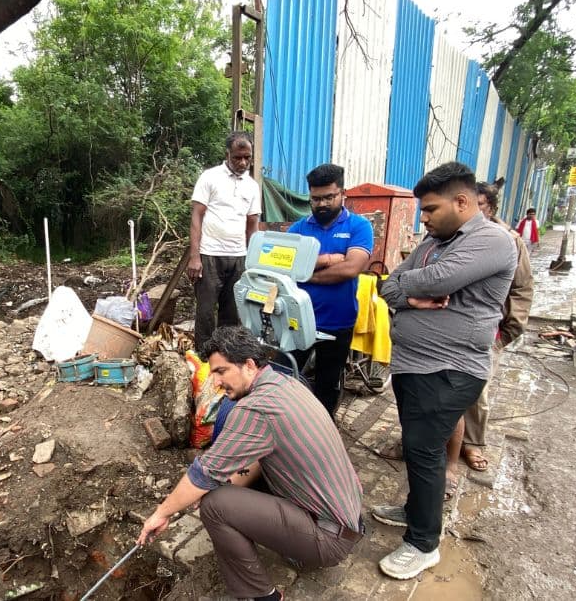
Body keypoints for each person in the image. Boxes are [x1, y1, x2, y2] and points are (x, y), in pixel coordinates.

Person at [138, 327, 365, 601]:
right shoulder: (286, 383)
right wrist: (217, 485)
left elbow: (203, 473)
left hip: (330, 538)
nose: (216, 381)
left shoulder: (256, 409)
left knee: (215, 506)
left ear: (248, 365)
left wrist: (162, 513)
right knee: (220, 490)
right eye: (212, 373)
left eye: (221, 371)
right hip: (347, 518)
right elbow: (253, 461)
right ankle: (291, 544)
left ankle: (263, 596)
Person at [369, 162, 517, 580]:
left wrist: (413, 288)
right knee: (419, 447)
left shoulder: (492, 240)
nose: (425, 218)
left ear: (463, 202)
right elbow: (389, 284)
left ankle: (423, 543)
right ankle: (417, 509)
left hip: (450, 368)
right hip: (417, 365)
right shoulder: (434, 241)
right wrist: (411, 295)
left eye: (431, 209)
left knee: (426, 449)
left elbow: (438, 280)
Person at [455, 183, 534, 473]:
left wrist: (510, 330)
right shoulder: (454, 237)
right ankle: (439, 440)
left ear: (491, 208)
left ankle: (472, 443)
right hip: (452, 328)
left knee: (477, 390)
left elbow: (522, 289)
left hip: (489, 331)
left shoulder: (510, 241)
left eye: (481, 207)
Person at [285, 163, 374, 419]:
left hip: (337, 322)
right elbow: (283, 266)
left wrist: (306, 272)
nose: (322, 203)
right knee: (286, 377)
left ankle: (322, 432)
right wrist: (329, 259)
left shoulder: (359, 226)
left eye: (329, 197)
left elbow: (351, 268)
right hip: (297, 320)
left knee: (328, 384)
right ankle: (286, 429)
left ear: (342, 193)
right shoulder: (298, 229)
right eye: (315, 198)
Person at [190, 133, 263, 349]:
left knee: (232, 313)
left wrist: (253, 262)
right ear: (227, 154)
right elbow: (196, 216)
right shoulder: (210, 177)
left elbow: (253, 227)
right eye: (237, 158)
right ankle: (204, 359)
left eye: (247, 158)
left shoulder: (252, 186)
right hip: (210, 254)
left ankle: (227, 360)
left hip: (238, 257)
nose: (242, 163)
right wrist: (195, 257)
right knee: (205, 312)